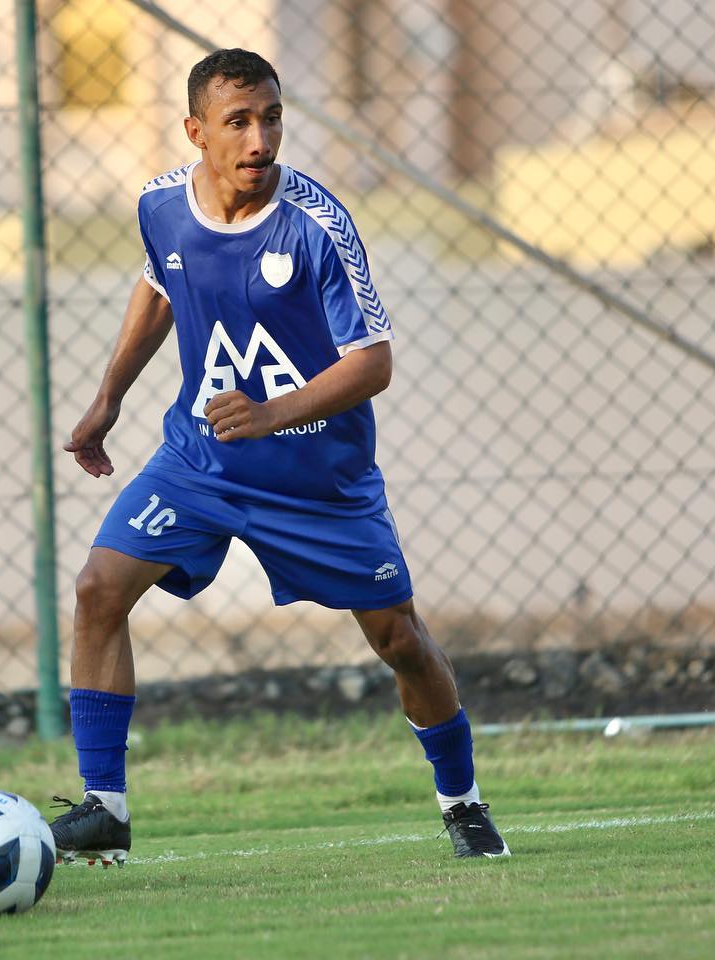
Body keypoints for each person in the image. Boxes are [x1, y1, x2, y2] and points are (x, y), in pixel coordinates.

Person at [49, 48, 508, 865]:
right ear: (196, 131)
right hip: (199, 460)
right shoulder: (160, 206)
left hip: (317, 478)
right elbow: (160, 284)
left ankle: (463, 802)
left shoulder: (317, 224)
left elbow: (373, 363)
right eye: (237, 122)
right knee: (97, 590)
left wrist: (269, 416)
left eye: (271, 118)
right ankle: (104, 808)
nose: (259, 139)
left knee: (400, 640)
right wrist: (110, 396)